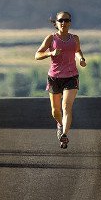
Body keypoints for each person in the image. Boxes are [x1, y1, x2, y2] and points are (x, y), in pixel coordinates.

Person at [34, 11, 86, 149]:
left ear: (70, 22)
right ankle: (60, 124)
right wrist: (50, 53)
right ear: (56, 23)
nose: (64, 23)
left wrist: (81, 59)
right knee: (55, 110)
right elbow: (37, 55)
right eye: (61, 20)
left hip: (71, 77)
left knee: (66, 106)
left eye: (67, 20)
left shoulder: (74, 38)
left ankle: (64, 134)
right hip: (54, 77)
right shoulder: (51, 39)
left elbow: (77, 50)